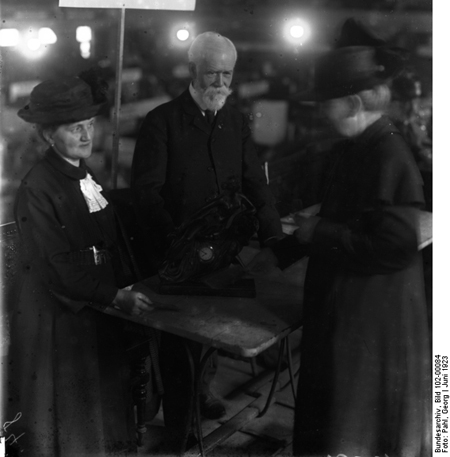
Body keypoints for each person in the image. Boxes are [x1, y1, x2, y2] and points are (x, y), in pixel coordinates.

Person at [251, 43, 432, 456]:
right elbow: (336, 214)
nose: (320, 112)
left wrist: (319, 232)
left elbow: (396, 246)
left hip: (369, 318)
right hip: (349, 310)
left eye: (326, 104)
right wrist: (282, 253)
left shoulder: (389, 154)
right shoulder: (360, 146)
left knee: (353, 428)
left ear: (351, 103)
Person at [131, 31, 283, 452]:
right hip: (176, 254)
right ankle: (182, 427)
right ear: (191, 71)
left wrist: (272, 230)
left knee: (212, 333)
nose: (220, 82)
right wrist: (177, 245)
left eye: (227, 74)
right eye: (212, 73)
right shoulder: (162, 122)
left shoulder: (233, 120)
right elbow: (146, 194)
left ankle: (202, 392)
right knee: (180, 343)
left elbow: (253, 179)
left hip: (222, 252)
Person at [3, 73, 154, 457]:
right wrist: (115, 296)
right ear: (48, 134)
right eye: (75, 129)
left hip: (90, 304)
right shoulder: (38, 187)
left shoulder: (84, 174)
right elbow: (56, 267)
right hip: (58, 318)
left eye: (89, 125)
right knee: (70, 417)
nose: (87, 136)